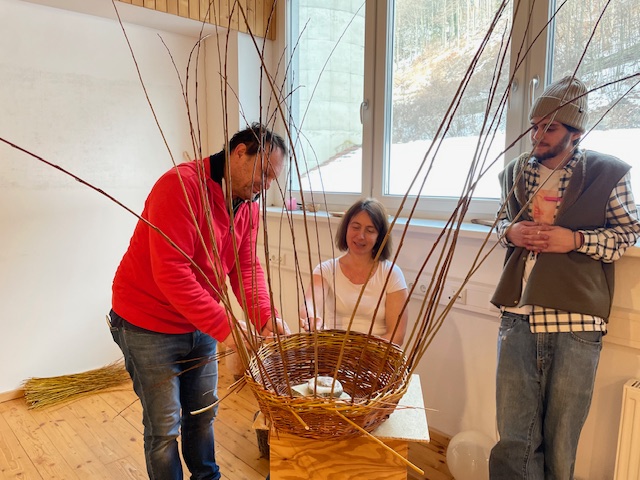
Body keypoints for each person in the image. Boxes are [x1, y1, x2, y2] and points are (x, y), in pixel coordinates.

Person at [108, 123, 291, 480]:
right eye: (265, 173)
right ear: (240, 152)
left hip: (198, 319)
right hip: (147, 322)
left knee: (203, 413)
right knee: (165, 427)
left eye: (273, 178)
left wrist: (265, 317)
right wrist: (227, 327)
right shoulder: (180, 186)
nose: (267, 185)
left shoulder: (248, 206)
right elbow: (172, 272)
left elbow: (245, 266)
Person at [489, 76, 640, 478]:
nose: (537, 135)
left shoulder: (608, 172)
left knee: (561, 440)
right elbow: (497, 224)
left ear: (576, 132)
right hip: (518, 315)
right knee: (512, 439)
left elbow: (627, 232)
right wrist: (510, 232)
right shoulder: (514, 173)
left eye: (550, 127)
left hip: (576, 320)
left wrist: (574, 239)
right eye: (535, 125)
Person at [299, 198, 408, 344]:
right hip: (334, 351)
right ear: (346, 229)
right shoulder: (326, 270)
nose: (361, 236)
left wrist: (361, 351)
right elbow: (309, 303)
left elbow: (397, 336)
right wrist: (311, 318)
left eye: (370, 230)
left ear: (379, 237)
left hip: (376, 352)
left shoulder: (391, 273)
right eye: (355, 227)